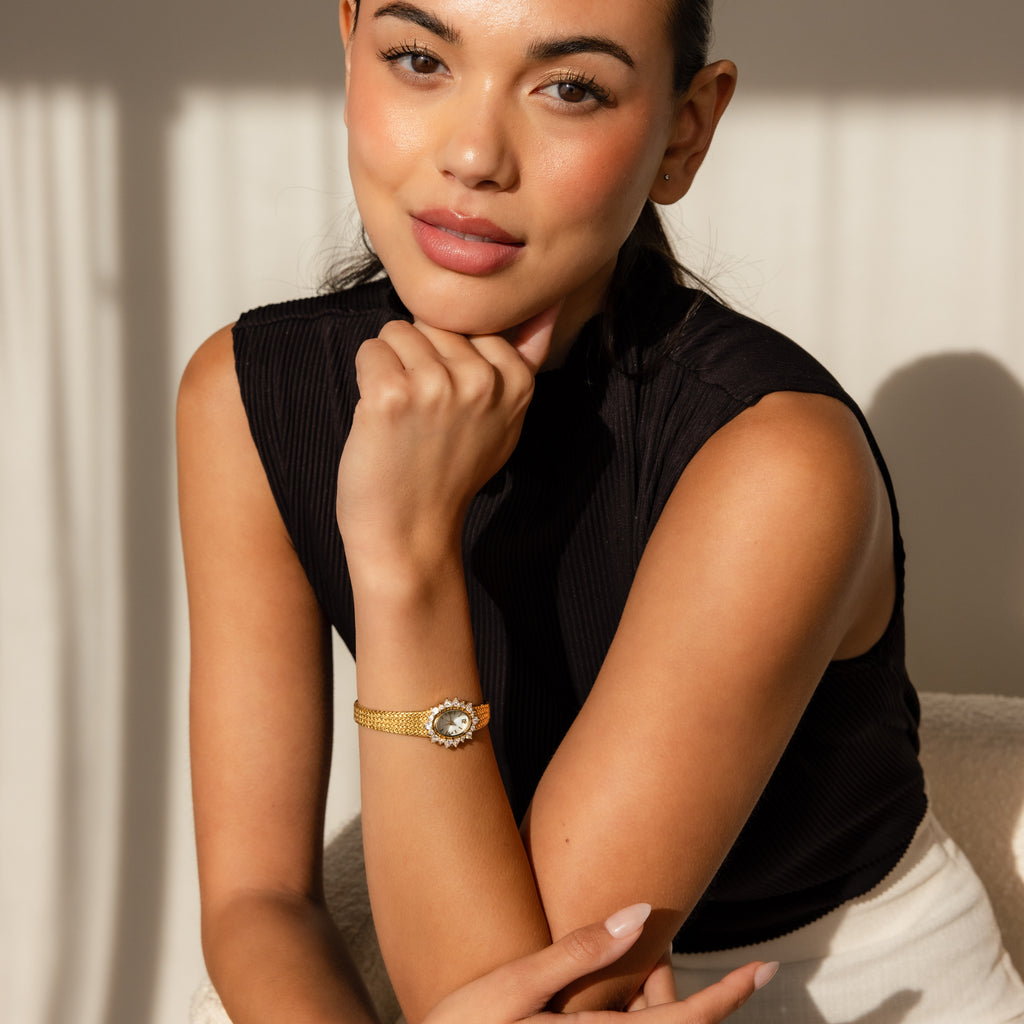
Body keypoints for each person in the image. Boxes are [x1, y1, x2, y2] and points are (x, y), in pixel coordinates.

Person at [176, 1, 1024, 1022]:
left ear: (683, 132)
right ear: (348, 37)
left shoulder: (776, 457)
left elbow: (528, 997)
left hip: (836, 989)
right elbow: (255, 898)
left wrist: (404, 559)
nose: (476, 153)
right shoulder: (243, 392)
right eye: (417, 59)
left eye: (568, 88)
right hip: (459, 953)